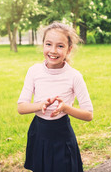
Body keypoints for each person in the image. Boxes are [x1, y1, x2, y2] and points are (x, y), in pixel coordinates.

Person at [17, 22, 93, 172]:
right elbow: (21, 107)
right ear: (43, 45)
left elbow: (88, 114)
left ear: (69, 49)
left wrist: (65, 108)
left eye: (60, 46)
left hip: (62, 137)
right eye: (48, 44)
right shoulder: (34, 71)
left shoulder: (74, 76)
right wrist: (40, 105)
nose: (53, 50)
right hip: (39, 134)